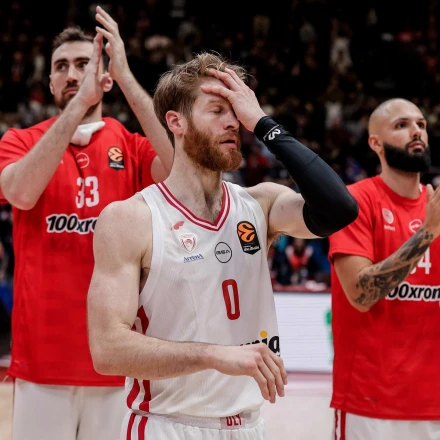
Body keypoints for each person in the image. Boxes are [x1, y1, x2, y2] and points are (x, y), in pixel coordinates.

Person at [87, 52, 358, 440]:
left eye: (237, 112)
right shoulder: (131, 218)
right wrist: (212, 354)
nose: (233, 122)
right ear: (176, 122)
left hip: (249, 426)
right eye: (217, 110)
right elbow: (107, 349)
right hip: (168, 424)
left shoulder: (260, 203)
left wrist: (263, 123)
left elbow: (340, 209)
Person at [0, 7, 173, 440]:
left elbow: (178, 170)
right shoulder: (19, 141)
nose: (73, 74)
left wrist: (127, 78)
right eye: (62, 67)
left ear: (105, 76)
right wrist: (80, 103)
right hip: (41, 361)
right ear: (50, 82)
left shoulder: (130, 145)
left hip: (116, 358)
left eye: (84, 64)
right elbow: (20, 193)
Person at [328, 98, 440, 439]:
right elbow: (361, 294)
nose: (416, 131)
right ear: (375, 143)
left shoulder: (435, 205)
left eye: (420, 124)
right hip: (370, 402)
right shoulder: (354, 202)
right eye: (401, 125)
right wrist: (427, 233)